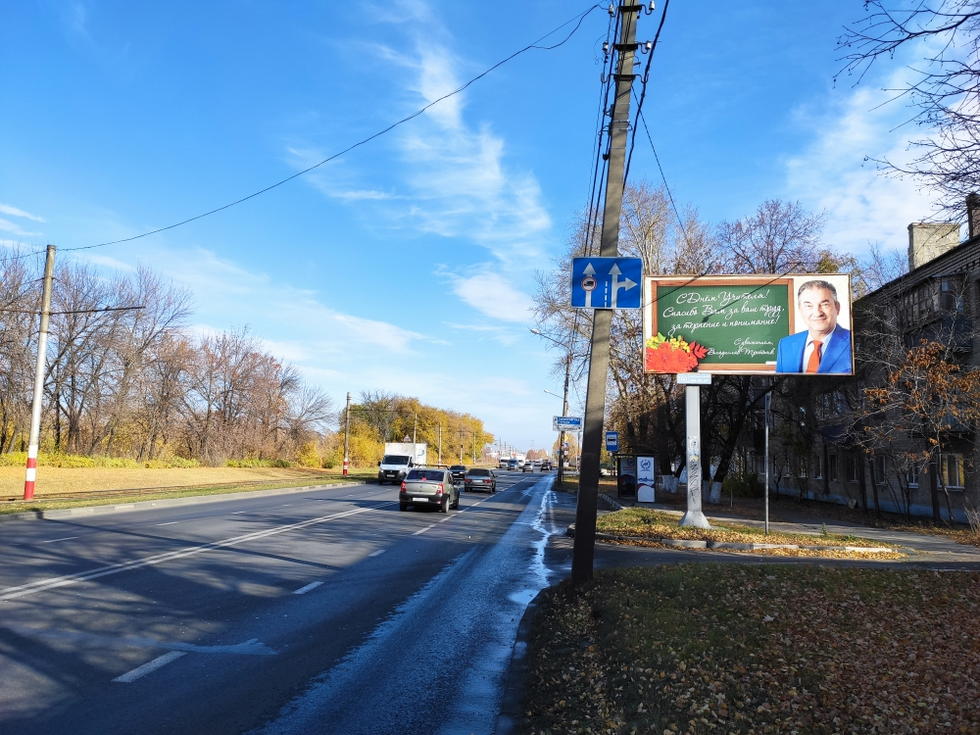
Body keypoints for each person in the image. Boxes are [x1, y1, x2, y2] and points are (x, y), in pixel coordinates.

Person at [775, 280, 852, 374]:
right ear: (800, 309)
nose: (817, 313)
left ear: (837, 308)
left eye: (825, 304)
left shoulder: (854, 341)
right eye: (809, 306)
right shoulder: (785, 345)